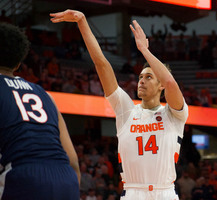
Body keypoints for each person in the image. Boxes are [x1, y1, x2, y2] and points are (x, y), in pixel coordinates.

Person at [50, 9, 188, 200]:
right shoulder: (127, 110)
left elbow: (172, 83)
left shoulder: (174, 115)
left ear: (161, 86)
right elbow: (101, 63)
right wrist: (82, 21)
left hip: (165, 192)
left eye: (149, 77)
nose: (141, 81)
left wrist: (144, 51)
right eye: (140, 77)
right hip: (133, 192)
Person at [0, 23, 80, 199]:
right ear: (18, 63)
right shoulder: (45, 95)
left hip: (23, 177)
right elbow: (73, 161)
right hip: (67, 181)